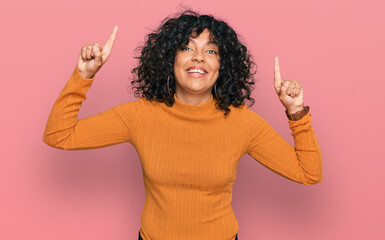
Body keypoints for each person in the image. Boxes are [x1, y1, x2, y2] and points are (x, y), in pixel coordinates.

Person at [43, 10, 322, 240]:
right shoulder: (141, 116)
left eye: (210, 51)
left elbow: (308, 173)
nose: (198, 57)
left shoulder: (242, 122)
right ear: (170, 59)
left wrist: (296, 113)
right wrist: (83, 75)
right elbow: (60, 135)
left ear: (222, 66)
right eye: (187, 47)